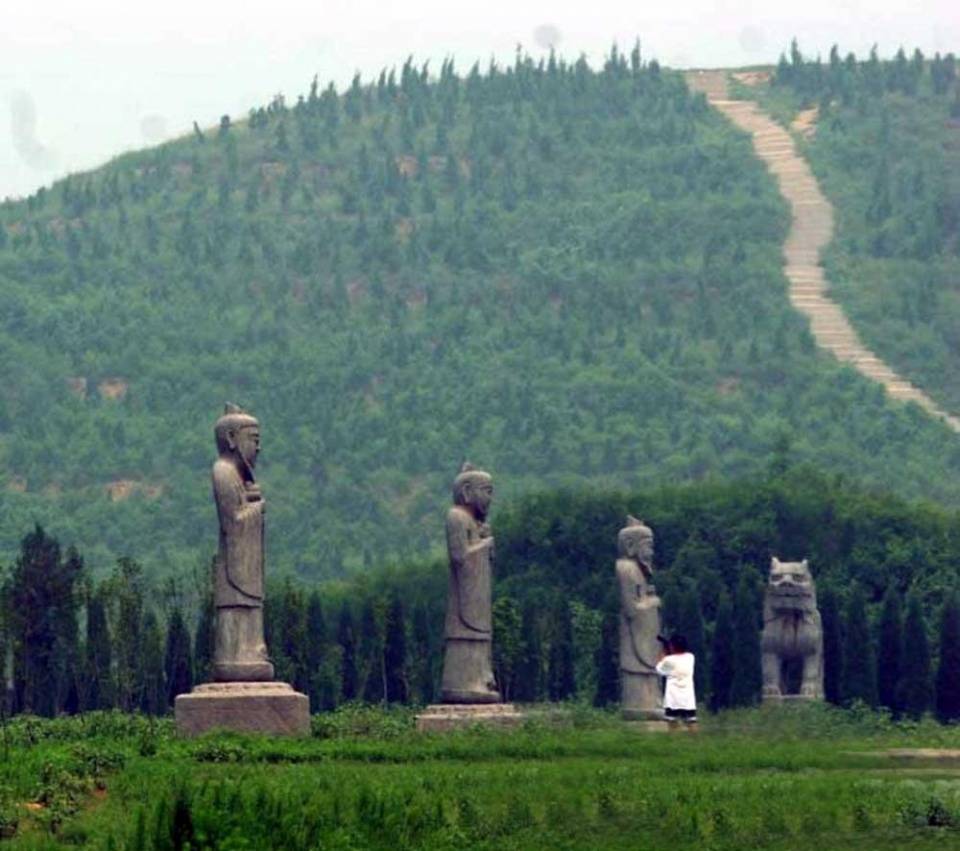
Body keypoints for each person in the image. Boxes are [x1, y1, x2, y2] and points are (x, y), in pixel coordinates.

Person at [655, 634, 697, 727]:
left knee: (672, 724)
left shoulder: (669, 660)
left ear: (672, 646)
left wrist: (663, 653)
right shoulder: (690, 657)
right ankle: (696, 741)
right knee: (691, 723)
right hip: (688, 699)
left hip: (673, 699)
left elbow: (659, 670)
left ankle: (674, 741)